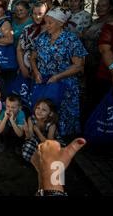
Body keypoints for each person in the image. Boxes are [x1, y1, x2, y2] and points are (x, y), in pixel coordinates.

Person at [31, 7, 88, 136]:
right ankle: (41, 139)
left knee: (61, 114)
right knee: (43, 111)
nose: (47, 25)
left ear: (61, 23)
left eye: (50, 22)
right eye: (46, 22)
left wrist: (58, 76)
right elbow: (32, 57)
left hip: (65, 84)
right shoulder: (42, 38)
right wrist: (36, 72)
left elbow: (79, 65)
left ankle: (61, 143)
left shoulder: (71, 39)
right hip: (44, 82)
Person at [22, 98, 62, 163]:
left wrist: (37, 131)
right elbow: (30, 137)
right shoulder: (31, 119)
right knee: (27, 149)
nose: (39, 111)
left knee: (51, 154)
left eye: (44, 110)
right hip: (36, 140)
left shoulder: (51, 125)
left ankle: (43, 162)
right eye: (38, 108)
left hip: (49, 144)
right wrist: (27, 131)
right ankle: (37, 162)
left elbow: (49, 144)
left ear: (50, 113)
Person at [17, 2, 48, 78]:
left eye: (40, 14)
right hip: (27, 70)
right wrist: (22, 68)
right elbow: (19, 49)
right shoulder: (27, 29)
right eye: (34, 13)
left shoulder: (50, 30)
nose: (37, 16)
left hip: (44, 72)